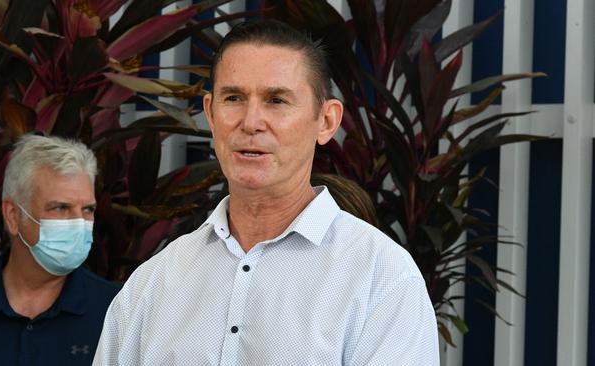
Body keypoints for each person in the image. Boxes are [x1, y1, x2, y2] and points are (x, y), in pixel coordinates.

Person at [93, 20, 439, 365]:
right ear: (211, 114)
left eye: (276, 100)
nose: (251, 121)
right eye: (234, 98)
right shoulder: (155, 282)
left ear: (327, 121)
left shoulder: (382, 278)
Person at [0, 135, 120, 366]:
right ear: (13, 216)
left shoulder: (117, 311)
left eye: (88, 209)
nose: (79, 223)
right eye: (60, 207)